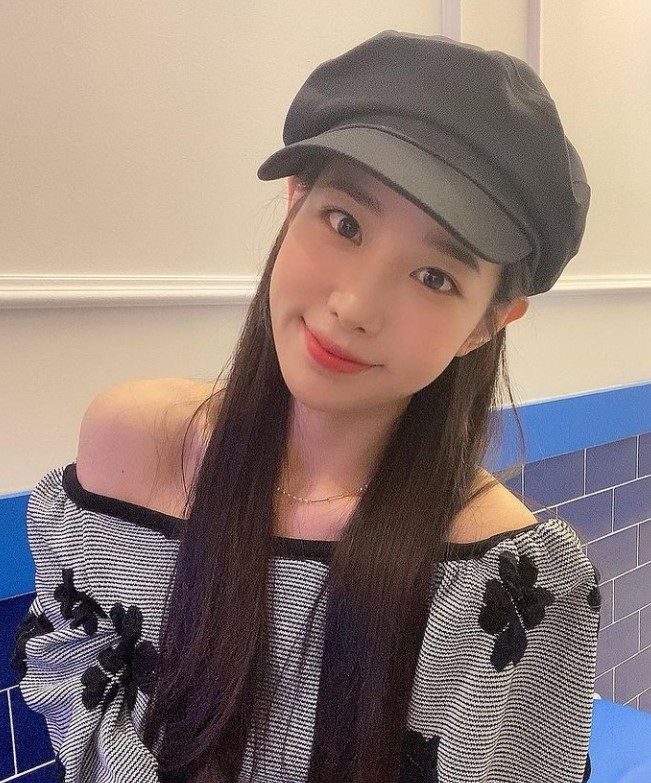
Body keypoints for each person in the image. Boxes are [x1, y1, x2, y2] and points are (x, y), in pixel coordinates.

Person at [12, 30, 601, 783]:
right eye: (344, 223)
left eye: (434, 276)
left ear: (487, 323)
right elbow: (73, 679)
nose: (353, 305)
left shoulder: (506, 579)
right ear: (295, 202)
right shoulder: (132, 450)